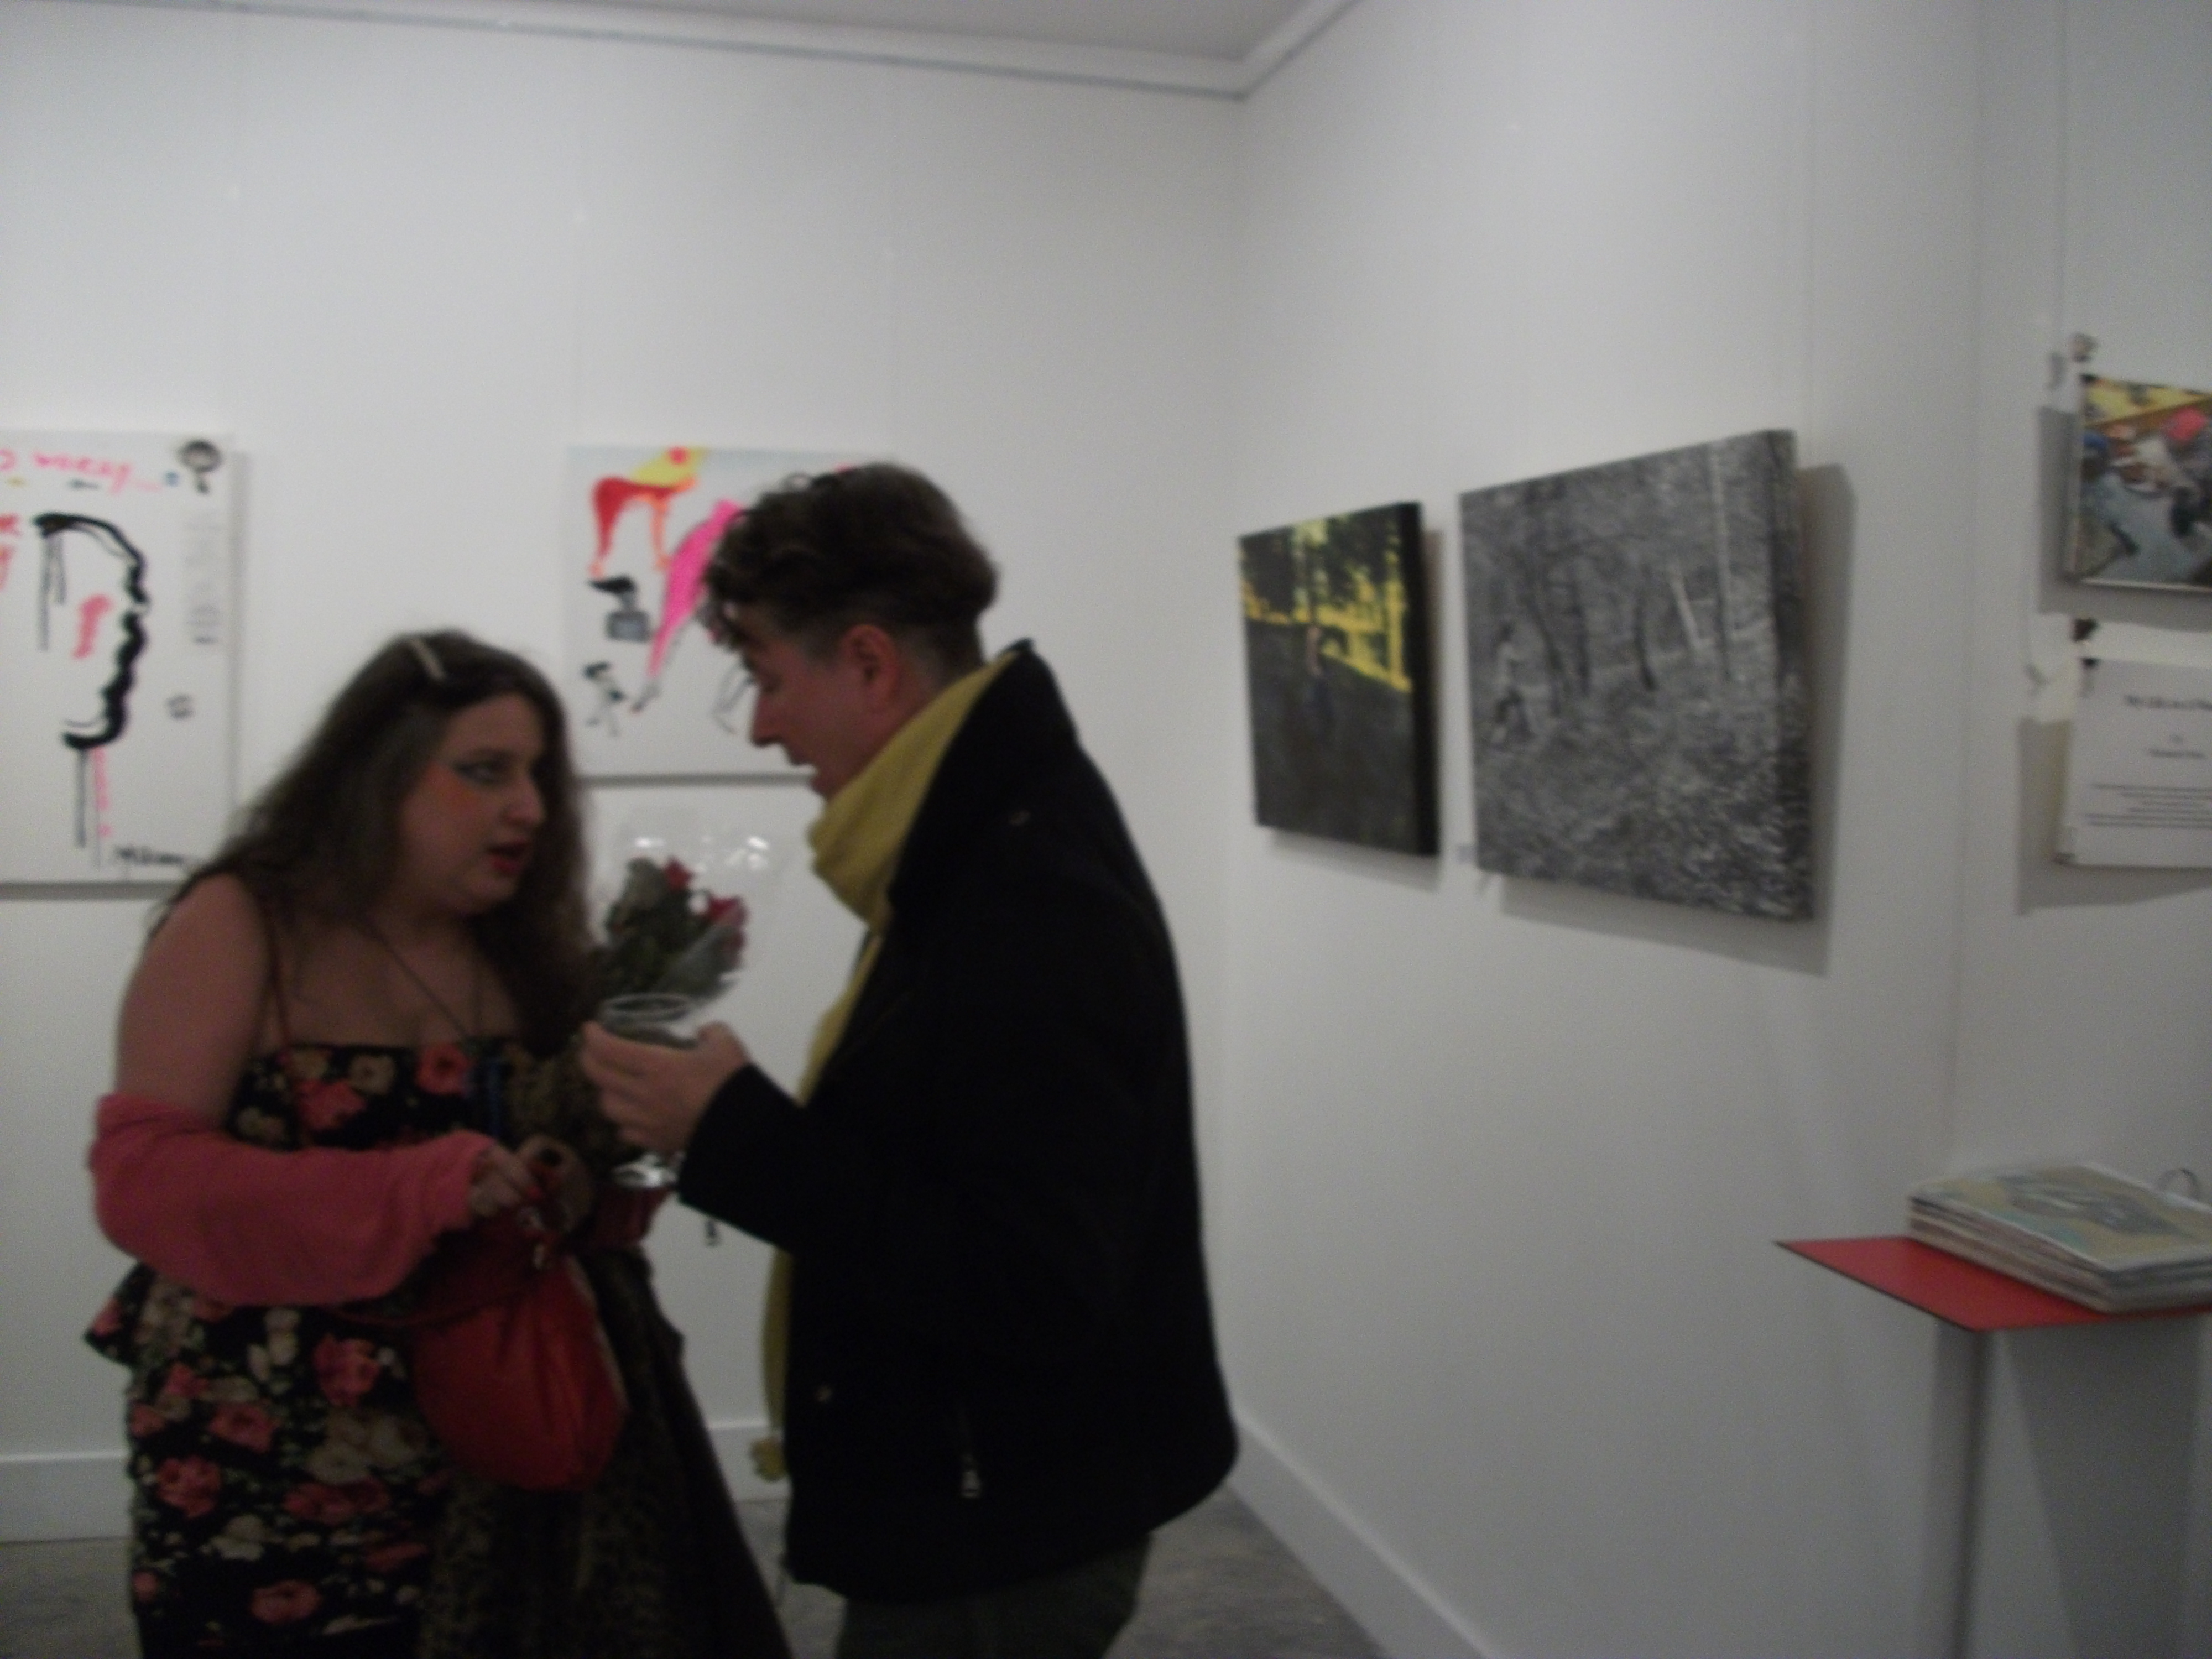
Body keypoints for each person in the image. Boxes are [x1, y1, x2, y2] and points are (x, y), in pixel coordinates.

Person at [582, 464, 1238, 1659]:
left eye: (768, 679)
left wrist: (732, 1133)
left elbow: (1033, 1282)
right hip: (987, 1482)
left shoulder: (1023, 889)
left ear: (870, 664)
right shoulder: (976, 831)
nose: (762, 726)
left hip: (1003, 1519)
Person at [85, 630, 787, 1659]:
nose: (530, 808)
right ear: (375, 774)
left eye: (539, 774)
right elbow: (143, 1181)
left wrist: (604, 1169)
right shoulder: (243, 922)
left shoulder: (526, 948)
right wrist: (420, 1189)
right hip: (274, 1470)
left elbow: (583, 1206)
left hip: (498, 1467)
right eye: (486, 771)